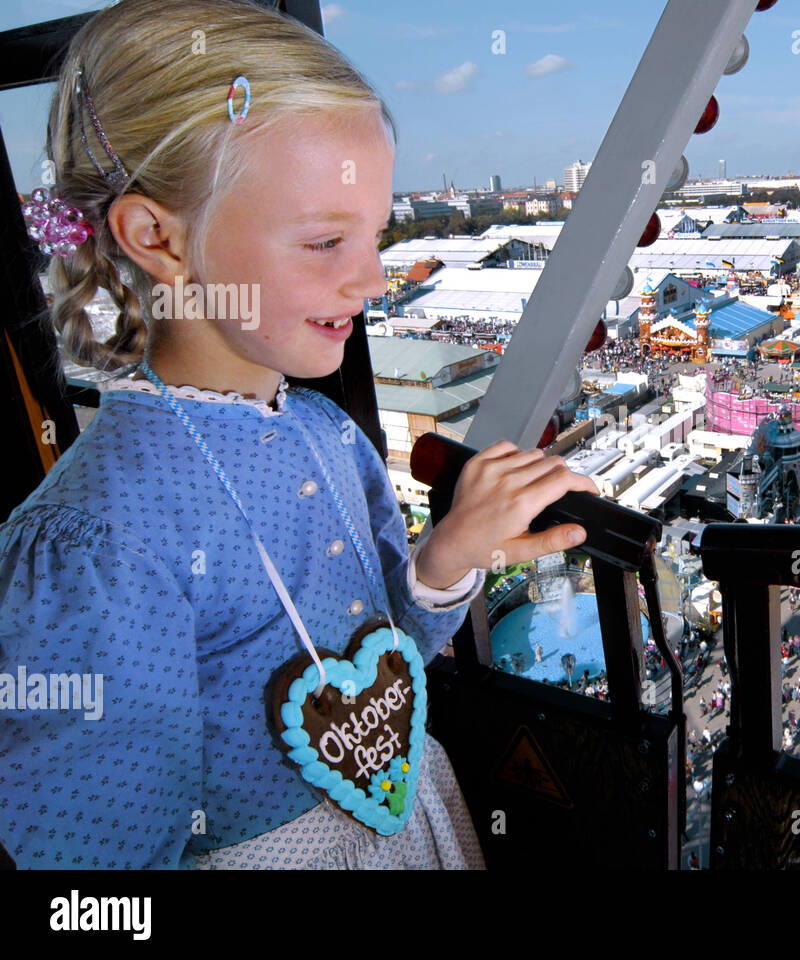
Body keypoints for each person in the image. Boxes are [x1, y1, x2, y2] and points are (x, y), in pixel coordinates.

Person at [0, 0, 600, 870]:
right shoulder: (101, 545)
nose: (372, 277)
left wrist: (441, 564)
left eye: (376, 235)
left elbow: (375, 656)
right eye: (325, 241)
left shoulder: (326, 430)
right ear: (157, 238)